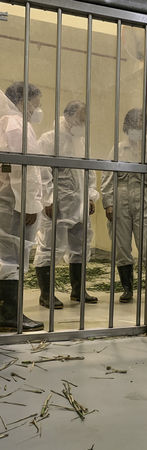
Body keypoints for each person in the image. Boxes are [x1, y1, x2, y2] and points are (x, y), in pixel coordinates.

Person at [33, 101, 99, 309]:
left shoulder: (82, 141)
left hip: (79, 204)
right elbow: (42, 172)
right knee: (49, 248)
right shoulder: (49, 139)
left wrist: (90, 196)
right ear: (68, 116)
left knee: (81, 246)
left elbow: (88, 171)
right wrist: (48, 199)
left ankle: (78, 291)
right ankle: (46, 295)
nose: (83, 123)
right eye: (81, 119)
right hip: (58, 205)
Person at [101, 108, 147, 304]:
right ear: (128, 126)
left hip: (143, 201)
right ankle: (127, 288)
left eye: (141, 124)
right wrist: (108, 203)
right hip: (120, 201)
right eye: (134, 124)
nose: (138, 127)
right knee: (121, 247)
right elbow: (108, 177)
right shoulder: (118, 149)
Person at [0, 82, 44, 331]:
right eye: (35, 104)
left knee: (7, 256)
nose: (37, 110)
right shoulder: (16, 123)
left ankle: (8, 312)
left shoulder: (6, 121)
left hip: (8, 198)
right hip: (14, 201)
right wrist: (29, 204)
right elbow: (21, 166)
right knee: (11, 257)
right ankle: (9, 315)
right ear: (22, 101)